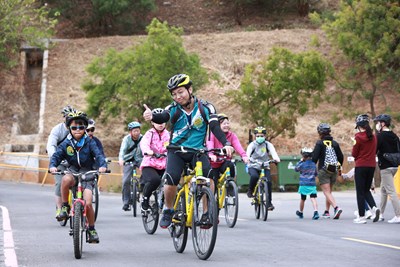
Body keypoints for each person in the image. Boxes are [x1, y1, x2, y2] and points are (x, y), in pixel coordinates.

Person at [142, 73, 234, 229]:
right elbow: (163, 116)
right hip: (176, 151)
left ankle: (206, 213)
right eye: (174, 94)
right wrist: (151, 116)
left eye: (181, 92)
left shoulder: (206, 107)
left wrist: (226, 143)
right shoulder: (173, 109)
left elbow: (214, 126)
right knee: (171, 178)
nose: (178, 97)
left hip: (198, 151)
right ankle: (168, 209)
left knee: (209, 176)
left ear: (190, 89)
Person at [49, 110, 107, 243]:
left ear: (85, 128)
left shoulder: (89, 142)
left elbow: (98, 155)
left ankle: (91, 229)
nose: (77, 130)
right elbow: (57, 156)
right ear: (69, 128)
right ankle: (64, 206)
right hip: (73, 170)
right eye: (74, 127)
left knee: (87, 203)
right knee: (65, 179)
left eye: (81, 127)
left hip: (88, 173)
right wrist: (53, 165)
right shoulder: (66, 143)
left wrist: (102, 165)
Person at [46, 105, 75, 221]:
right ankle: (60, 209)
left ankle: (78, 207)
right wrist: (54, 160)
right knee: (59, 183)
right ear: (64, 118)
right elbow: (51, 145)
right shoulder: (57, 130)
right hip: (60, 160)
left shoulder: (78, 129)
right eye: (67, 117)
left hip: (74, 161)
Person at [139, 108, 170, 212]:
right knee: (155, 180)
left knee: (172, 181)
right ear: (152, 122)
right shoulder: (149, 134)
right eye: (157, 122)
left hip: (165, 164)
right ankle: (145, 199)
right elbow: (144, 144)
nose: (160, 124)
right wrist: (149, 152)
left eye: (162, 122)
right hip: (150, 164)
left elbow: (173, 144)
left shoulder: (168, 134)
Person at [207, 113, 249, 188]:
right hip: (214, 163)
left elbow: (238, 146)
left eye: (227, 123)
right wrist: (211, 154)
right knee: (213, 184)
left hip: (224, 161)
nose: (226, 125)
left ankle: (230, 185)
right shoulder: (212, 134)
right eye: (223, 123)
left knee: (231, 165)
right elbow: (210, 144)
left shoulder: (232, 136)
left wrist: (244, 156)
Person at [352, 114, 380, 224]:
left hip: (361, 166)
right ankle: (374, 207)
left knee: (360, 192)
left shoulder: (358, 137)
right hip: (371, 166)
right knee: (366, 190)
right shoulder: (373, 136)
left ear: (359, 126)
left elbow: (354, 154)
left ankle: (362, 217)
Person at [312, 123, 344, 219]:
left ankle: (336, 207)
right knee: (329, 191)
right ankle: (327, 212)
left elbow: (314, 158)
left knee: (326, 191)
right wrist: (339, 167)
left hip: (324, 169)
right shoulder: (335, 143)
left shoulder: (319, 143)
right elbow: (341, 157)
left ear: (320, 133)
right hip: (333, 169)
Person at [373, 114, 400, 223]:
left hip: (385, 167)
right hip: (395, 166)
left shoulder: (379, 136)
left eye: (378, 122)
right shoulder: (395, 136)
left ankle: (398, 215)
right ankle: (381, 214)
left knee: (391, 191)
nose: (377, 125)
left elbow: (374, 150)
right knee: (383, 189)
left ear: (383, 124)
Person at [246, 126, 280, 211]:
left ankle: (269, 203)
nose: (259, 138)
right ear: (255, 136)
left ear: (265, 136)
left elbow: (273, 152)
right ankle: (250, 190)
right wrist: (247, 159)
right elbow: (247, 154)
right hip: (253, 165)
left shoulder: (268, 145)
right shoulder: (252, 145)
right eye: (258, 136)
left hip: (265, 165)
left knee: (268, 182)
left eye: (261, 136)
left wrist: (276, 158)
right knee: (254, 176)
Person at [118, 121, 143, 211]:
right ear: (130, 132)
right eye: (134, 131)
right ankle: (126, 202)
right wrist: (121, 159)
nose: (137, 133)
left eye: (138, 130)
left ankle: (143, 192)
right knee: (126, 181)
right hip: (128, 160)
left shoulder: (143, 138)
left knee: (148, 174)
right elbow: (122, 150)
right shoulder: (126, 139)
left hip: (140, 159)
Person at [294, 148, 319, 220]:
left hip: (303, 184)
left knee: (303, 199)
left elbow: (296, 169)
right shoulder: (314, 164)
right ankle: (316, 212)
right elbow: (316, 174)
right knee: (313, 198)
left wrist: (300, 161)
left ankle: (301, 212)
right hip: (312, 184)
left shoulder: (302, 164)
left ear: (303, 156)